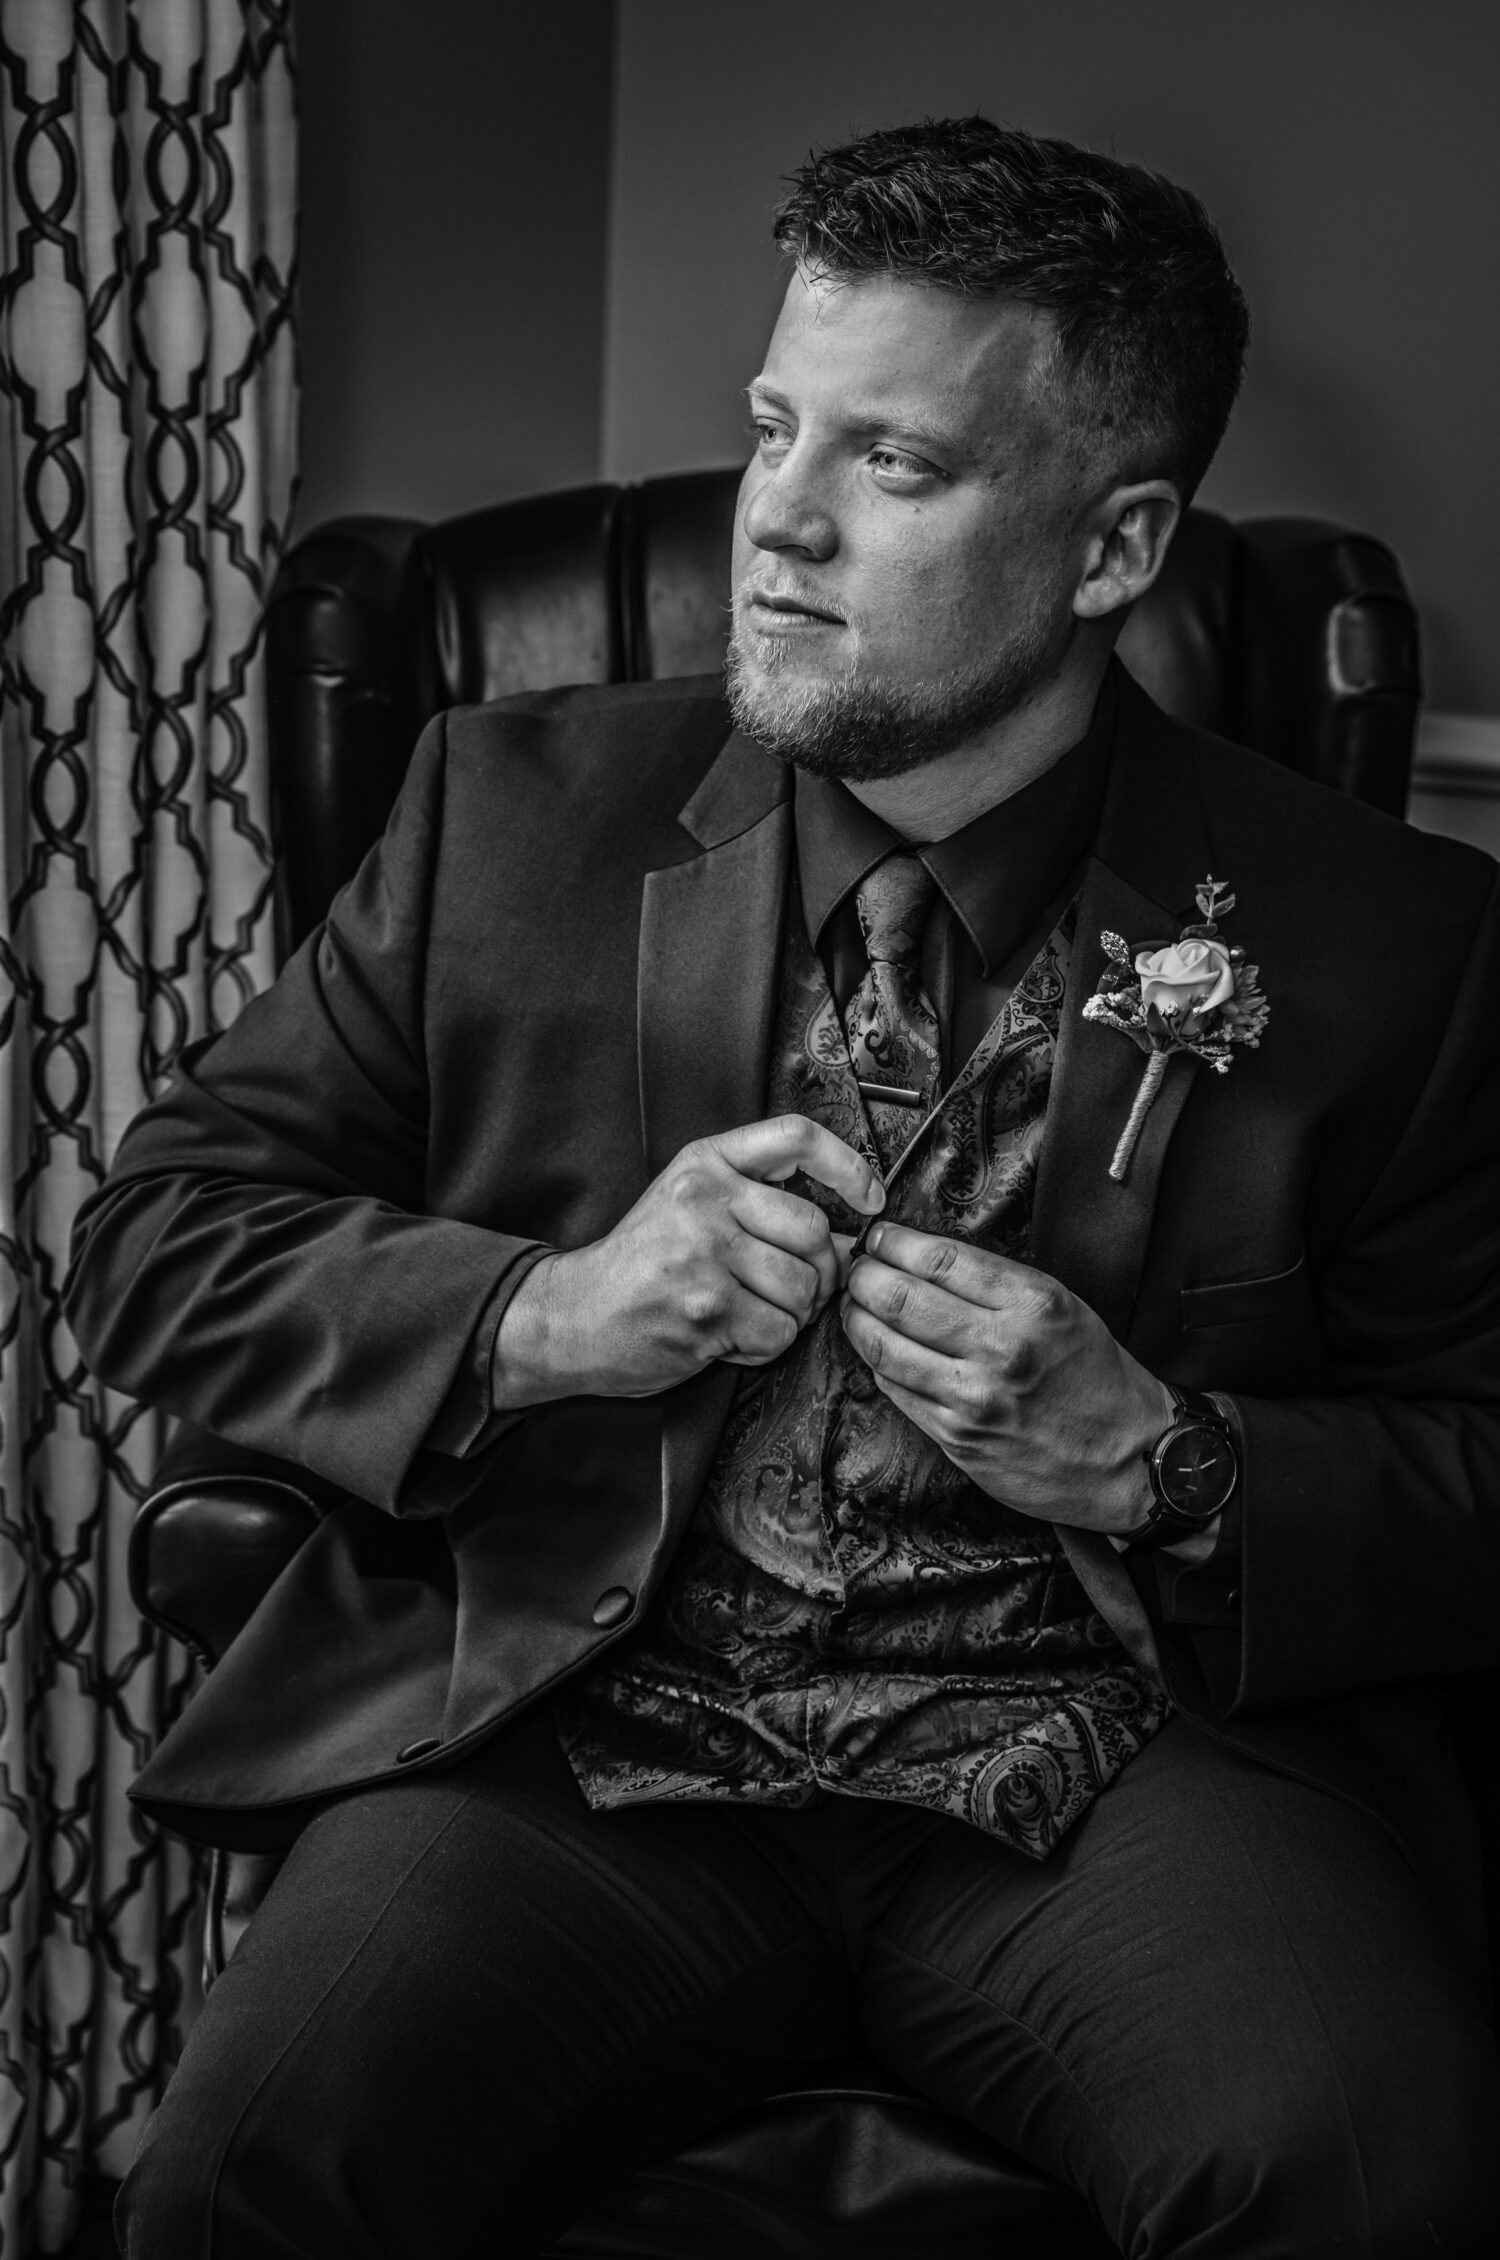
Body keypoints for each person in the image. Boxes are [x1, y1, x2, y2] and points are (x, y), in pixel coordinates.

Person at [66, 116, 1500, 2255]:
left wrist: (1171, 1463)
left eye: (893, 464)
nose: (779, 519)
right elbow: (154, 1244)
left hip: (1118, 1759)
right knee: (248, 2169)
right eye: (771, 429)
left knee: (1377, 2179)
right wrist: (542, 1314)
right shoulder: (504, 815)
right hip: (586, 1730)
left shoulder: (1392, 939)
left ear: (1115, 548)